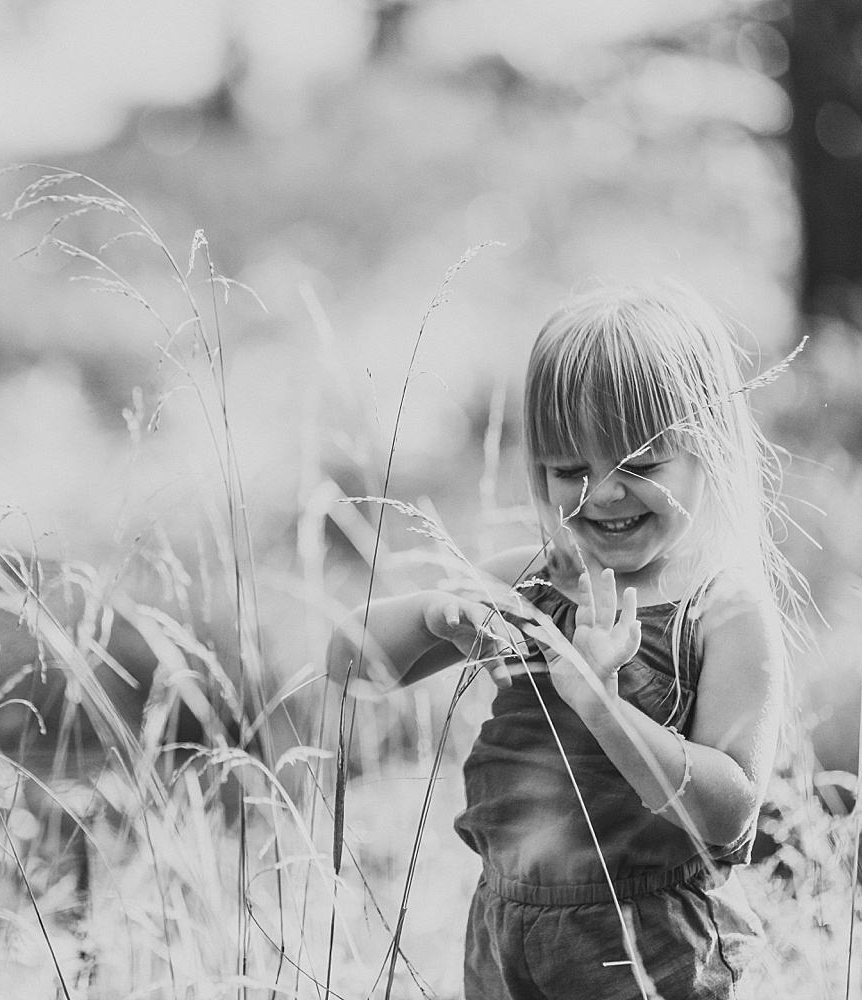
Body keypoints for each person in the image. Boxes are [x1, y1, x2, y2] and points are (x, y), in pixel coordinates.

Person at [327, 280, 796, 999]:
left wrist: (604, 708)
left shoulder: (722, 610)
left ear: (707, 451)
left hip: (650, 941)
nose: (602, 493)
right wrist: (430, 614)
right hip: (507, 933)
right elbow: (348, 666)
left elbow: (728, 815)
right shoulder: (532, 581)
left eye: (638, 465)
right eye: (570, 470)